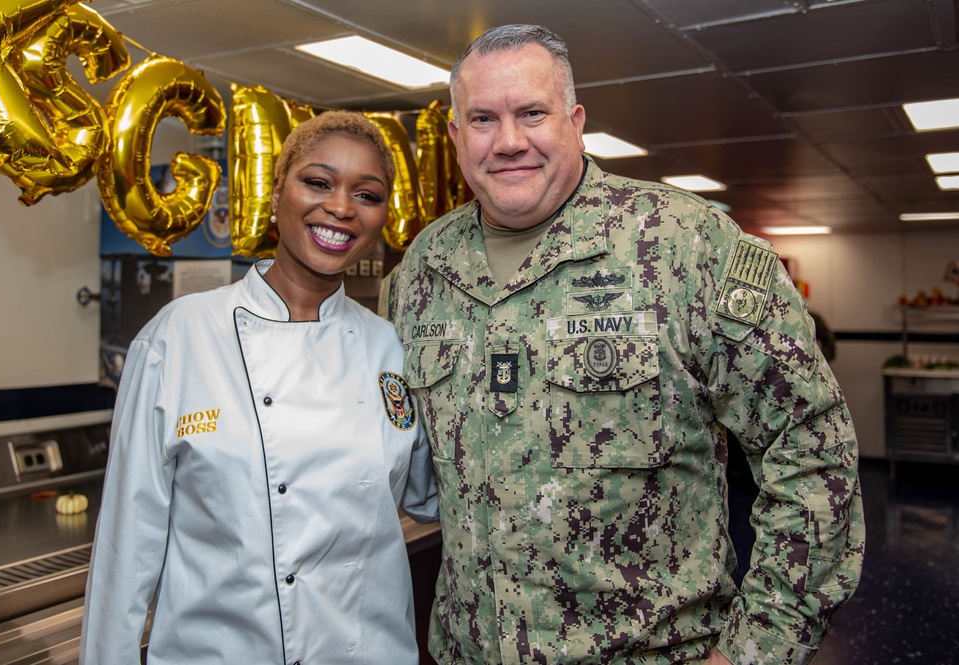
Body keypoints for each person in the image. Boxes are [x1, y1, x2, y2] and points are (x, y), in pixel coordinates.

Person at [381, 24, 863, 665]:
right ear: (454, 135)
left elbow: (812, 450)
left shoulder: (685, 245)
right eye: (482, 119)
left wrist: (756, 651)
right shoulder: (420, 270)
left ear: (575, 121)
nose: (509, 141)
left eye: (532, 113)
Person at [81, 110, 438, 664]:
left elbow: (431, 492)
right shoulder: (180, 338)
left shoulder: (388, 347)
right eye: (318, 182)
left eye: (366, 194)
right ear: (275, 195)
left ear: (382, 216)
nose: (341, 207)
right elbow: (127, 544)